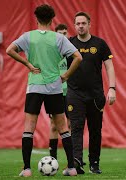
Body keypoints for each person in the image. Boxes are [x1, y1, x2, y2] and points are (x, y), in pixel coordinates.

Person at [6, 4, 82, 177]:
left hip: (34, 86)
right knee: (63, 127)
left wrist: (27, 64)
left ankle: (26, 169)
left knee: (29, 127)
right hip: (55, 87)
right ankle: (71, 168)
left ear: (36, 18)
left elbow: (9, 50)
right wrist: (66, 76)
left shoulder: (28, 37)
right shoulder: (59, 38)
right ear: (52, 19)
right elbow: (78, 57)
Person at [66, 11, 116, 174]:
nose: (80, 26)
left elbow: (109, 66)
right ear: (74, 26)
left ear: (89, 24)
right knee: (76, 128)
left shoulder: (100, 44)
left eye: (83, 23)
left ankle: (94, 163)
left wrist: (112, 88)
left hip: (95, 95)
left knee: (95, 130)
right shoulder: (68, 44)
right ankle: (77, 161)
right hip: (75, 94)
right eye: (77, 24)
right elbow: (57, 65)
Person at [48, 23, 71, 160]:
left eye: (65, 33)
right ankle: (53, 158)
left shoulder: (72, 52)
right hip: (56, 93)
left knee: (71, 124)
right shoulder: (52, 51)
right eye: (60, 33)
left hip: (72, 93)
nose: (63, 36)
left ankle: (73, 158)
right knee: (54, 126)